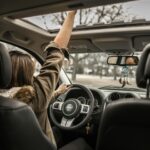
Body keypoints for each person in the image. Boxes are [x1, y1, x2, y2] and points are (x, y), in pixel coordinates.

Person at [1, 11, 76, 147]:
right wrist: (71, 14)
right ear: (27, 74)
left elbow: (43, 101)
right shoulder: (34, 96)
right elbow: (55, 54)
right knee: (81, 143)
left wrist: (58, 92)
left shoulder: (5, 102)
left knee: (58, 132)